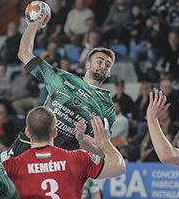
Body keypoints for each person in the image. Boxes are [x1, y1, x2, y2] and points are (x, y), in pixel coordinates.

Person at [9, 15, 116, 157]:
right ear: (87, 64)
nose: (103, 66)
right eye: (100, 61)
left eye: (108, 65)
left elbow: (102, 152)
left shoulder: (107, 108)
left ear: (109, 73)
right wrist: (33, 25)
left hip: (59, 163)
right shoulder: (61, 78)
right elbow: (24, 54)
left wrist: (82, 140)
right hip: (26, 149)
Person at [2, 106, 125, 198]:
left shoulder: (12, 165)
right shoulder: (78, 159)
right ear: (55, 132)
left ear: (28, 132)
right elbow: (119, 167)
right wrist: (105, 142)